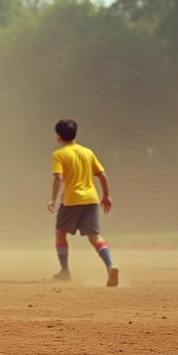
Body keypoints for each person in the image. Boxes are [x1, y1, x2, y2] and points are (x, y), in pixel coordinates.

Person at [48, 119, 118, 287]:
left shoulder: (59, 155)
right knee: (95, 237)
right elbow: (102, 175)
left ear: (58, 136)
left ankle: (64, 271)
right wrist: (106, 196)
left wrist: (53, 199)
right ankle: (110, 266)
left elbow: (58, 177)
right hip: (92, 199)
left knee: (60, 233)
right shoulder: (88, 152)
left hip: (71, 200)